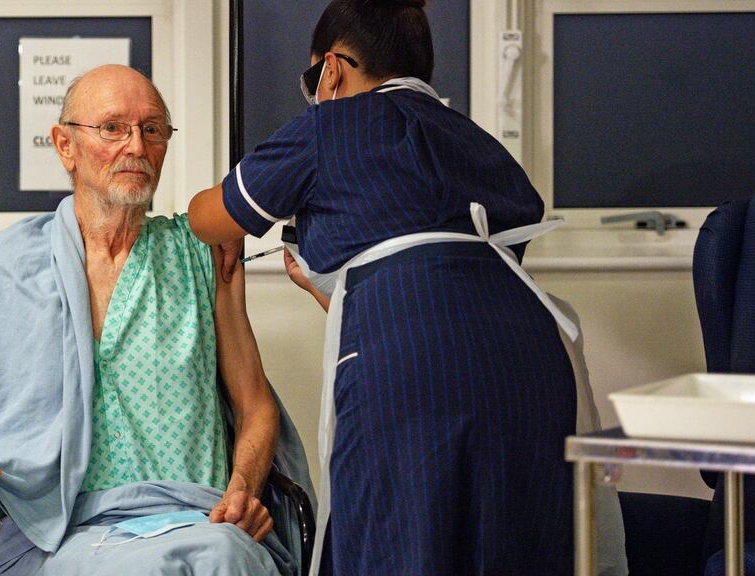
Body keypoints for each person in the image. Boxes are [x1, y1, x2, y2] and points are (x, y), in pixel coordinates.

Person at [188, 0, 579, 574]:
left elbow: (210, 218)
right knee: (509, 539)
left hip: (412, 372)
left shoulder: (330, 125)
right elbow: (452, 286)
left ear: (331, 70)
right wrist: (334, 291)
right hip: (532, 361)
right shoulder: (479, 144)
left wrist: (214, 224)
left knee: (397, 538)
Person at [0, 65, 311, 576]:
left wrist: (243, 487)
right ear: (65, 145)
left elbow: (255, 405)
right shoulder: (6, 265)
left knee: (225, 556)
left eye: (152, 129)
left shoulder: (203, 253)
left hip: (193, 520)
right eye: (113, 128)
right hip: (52, 530)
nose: (136, 145)